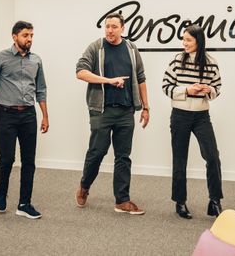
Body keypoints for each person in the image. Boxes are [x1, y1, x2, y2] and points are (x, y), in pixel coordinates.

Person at [75, 12, 149, 215]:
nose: (109, 30)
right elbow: (80, 72)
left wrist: (146, 107)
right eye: (107, 26)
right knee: (97, 152)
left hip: (126, 111)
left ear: (122, 28)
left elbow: (141, 78)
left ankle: (122, 200)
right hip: (102, 110)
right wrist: (108, 80)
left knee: (123, 156)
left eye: (114, 26)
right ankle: (84, 186)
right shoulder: (95, 47)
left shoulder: (132, 49)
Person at [0, 20, 49, 220]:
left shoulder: (36, 60)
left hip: (29, 115)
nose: (29, 39)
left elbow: (41, 90)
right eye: (25, 35)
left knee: (29, 161)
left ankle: (24, 203)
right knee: (7, 158)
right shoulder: (0, 58)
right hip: (6, 114)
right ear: (14, 37)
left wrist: (45, 115)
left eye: (31, 36)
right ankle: (2, 191)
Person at [162, 24, 223, 219]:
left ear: (199, 41)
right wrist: (187, 90)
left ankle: (215, 201)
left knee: (212, 157)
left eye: (188, 39)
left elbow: (217, 87)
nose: (184, 43)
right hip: (180, 115)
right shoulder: (177, 60)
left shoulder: (211, 62)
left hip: (201, 117)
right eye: (183, 39)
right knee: (180, 160)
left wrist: (209, 90)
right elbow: (166, 86)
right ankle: (180, 202)